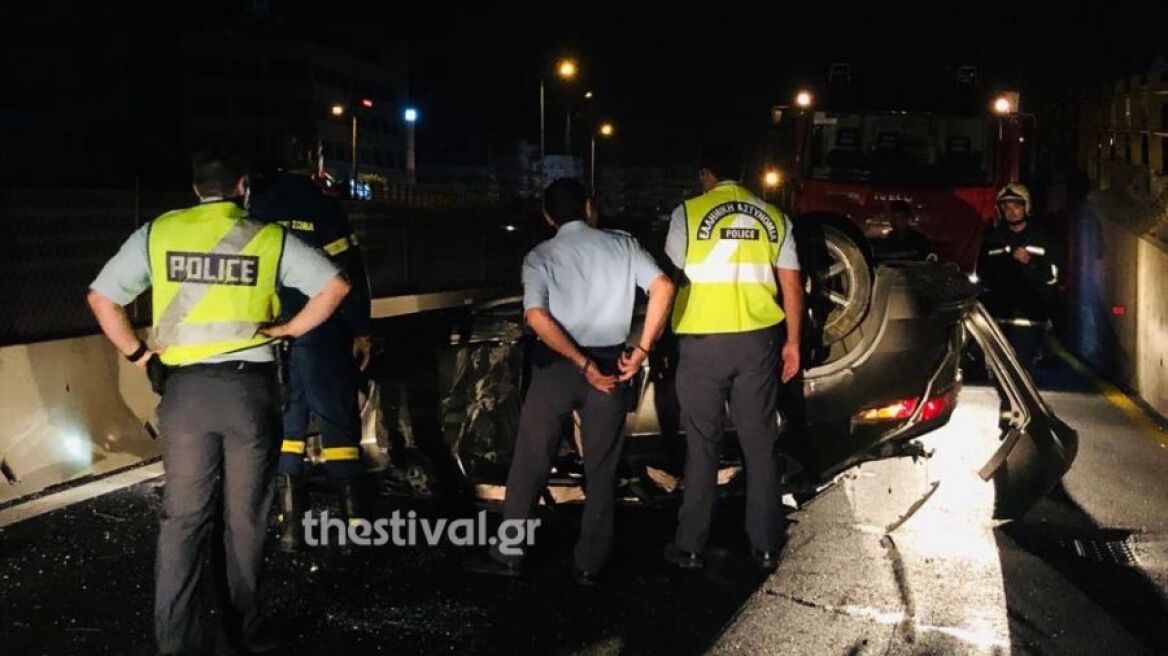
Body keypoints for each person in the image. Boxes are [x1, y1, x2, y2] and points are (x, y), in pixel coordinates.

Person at [87, 146, 350, 655]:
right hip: (249, 392)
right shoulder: (268, 236)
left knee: (182, 519)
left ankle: (175, 641)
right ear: (241, 187)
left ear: (194, 190)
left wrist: (138, 351)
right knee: (246, 518)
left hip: (184, 394)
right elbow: (335, 287)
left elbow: (101, 298)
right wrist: (287, 329)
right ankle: (245, 632)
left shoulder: (158, 233)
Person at [466, 178, 675, 585]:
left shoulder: (540, 256)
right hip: (612, 365)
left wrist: (580, 363)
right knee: (602, 469)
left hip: (557, 369)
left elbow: (537, 318)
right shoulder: (624, 245)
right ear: (590, 207)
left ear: (548, 216)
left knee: (530, 462)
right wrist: (643, 349)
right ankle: (589, 564)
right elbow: (663, 287)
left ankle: (509, 554)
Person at [662, 142, 803, 572]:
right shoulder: (775, 217)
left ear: (706, 174)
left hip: (703, 342)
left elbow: (670, 276)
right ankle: (764, 545)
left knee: (702, 446)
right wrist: (792, 341)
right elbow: (793, 286)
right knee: (759, 446)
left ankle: (690, 546)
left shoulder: (687, 213)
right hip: (758, 341)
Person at [249, 126, 374, 552]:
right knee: (337, 419)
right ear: (313, 160)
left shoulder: (257, 206)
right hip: (321, 328)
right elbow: (349, 273)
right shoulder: (324, 206)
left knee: (289, 425)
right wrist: (361, 328)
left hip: (273, 330)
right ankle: (355, 527)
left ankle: (289, 529)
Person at [977, 182, 1060, 375]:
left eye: (1016, 206)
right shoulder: (993, 240)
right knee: (999, 372)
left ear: (1026, 207)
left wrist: (1030, 263)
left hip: (1030, 317)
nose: (1011, 211)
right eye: (1006, 207)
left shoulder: (1042, 238)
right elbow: (984, 274)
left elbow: (1052, 277)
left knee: (1023, 371)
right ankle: (1007, 404)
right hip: (1000, 316)